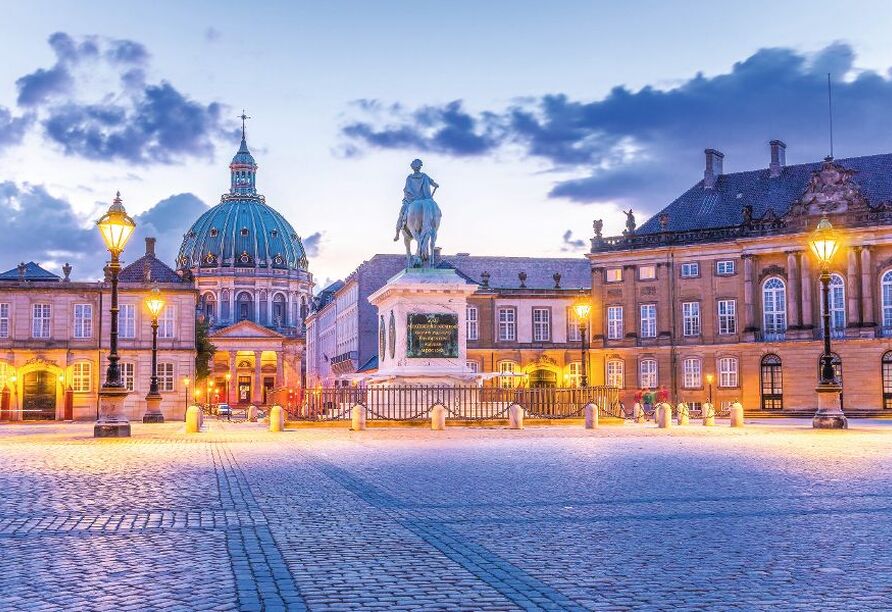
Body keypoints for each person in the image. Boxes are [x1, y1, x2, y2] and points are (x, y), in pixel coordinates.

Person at [394, 159, 439, 240]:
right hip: (424, 199)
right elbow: (432, 182)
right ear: (420, 167)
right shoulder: (424, 176)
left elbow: (406, 190)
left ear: (413, 168)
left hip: (411, 200)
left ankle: (397, 234)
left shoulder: (409, 178)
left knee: (401, 213)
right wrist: (435, 185)